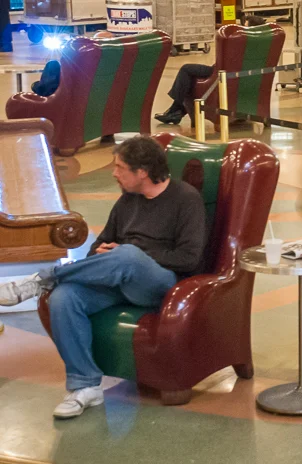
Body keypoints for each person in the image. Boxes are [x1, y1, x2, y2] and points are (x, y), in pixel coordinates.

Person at [0, 136, 207, 419]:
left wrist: (132, 253)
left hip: (162, 285)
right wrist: (103, 250)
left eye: (120, 167)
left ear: (142, 172)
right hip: (119, 280)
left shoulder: (185, 199)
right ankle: (84, 386)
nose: (114, 173)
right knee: (64, 297)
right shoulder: (127, 201)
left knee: (129, 256)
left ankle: (42, 279)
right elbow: (100, 245)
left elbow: (189, 259)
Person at [154, 15, 269, 125]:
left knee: (186, 70)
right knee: (189, 76)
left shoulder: (241, 43)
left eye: (246, 27)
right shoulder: (265, 45)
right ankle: (176, 111)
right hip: (240, 76)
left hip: (222, 74)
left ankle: (175, 110)